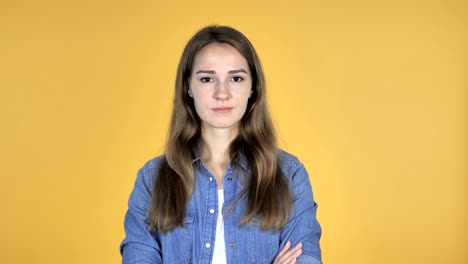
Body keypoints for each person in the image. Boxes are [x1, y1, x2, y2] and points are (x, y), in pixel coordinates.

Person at [120, 25, 322, 264]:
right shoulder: (152, 179)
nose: (222, 93)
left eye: (236, 78)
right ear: (188, 87)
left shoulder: (289, 174)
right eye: (207, 79)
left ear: (253, 87)